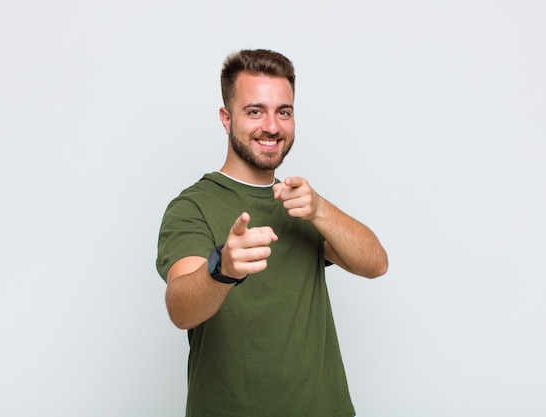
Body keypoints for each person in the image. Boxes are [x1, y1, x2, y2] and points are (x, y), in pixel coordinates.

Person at [156, 49, 388, 417]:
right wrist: (223, 269)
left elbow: (375, 264)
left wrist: (321, 210)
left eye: (284, 111)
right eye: (255, 111)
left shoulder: (301, 203)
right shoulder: (192, 206)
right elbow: (181, 309)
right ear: (226, 118)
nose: (272, 126)